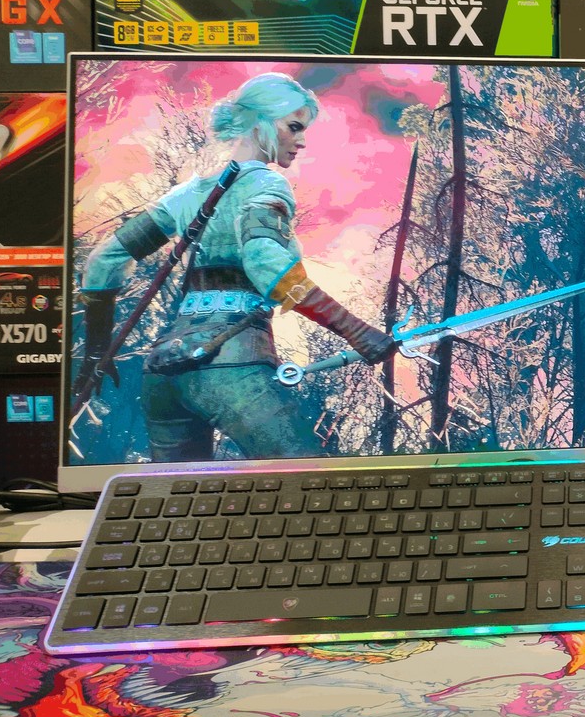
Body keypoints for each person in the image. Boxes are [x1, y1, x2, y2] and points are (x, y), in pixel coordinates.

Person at [78, 71, 394, 461]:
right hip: (232, 364)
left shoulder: (185, 195)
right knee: (310, 479)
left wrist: (96, 352)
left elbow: (103, 261)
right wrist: (358, 332)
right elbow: (264, 262)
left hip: (163, 375)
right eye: (293, 127)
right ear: (259, 122)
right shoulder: (267, 184)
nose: (301, 141)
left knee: (180, 494)